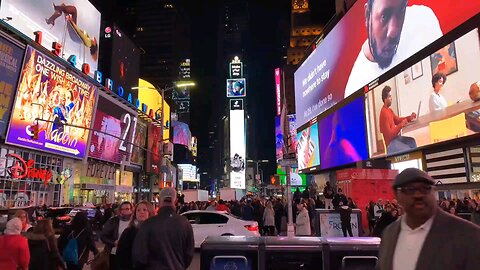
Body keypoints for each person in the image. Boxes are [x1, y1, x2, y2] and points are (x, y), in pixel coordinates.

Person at [376, 168, 480, 270]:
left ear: (434, 191)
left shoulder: (468, 235)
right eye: (410, 189)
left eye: (425, 188)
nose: (418, 195)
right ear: (397, 195)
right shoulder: (389, 234)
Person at [345, 0, 442, 97]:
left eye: (401, 11)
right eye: (384, 17)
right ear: (368, 14)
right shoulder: (354, 87)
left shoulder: (425, 20)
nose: (394, 32)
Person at [132, 188, 194, 270]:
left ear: (159, 200)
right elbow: (189, 254)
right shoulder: (184, 223)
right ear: (175, 201)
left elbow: (139, 255)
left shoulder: (149, 224)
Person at [116, 201, 155, 270]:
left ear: (150, 212)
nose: (141, 212)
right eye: (138, 210)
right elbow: (121, 256)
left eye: (144, 210)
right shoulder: (128, 232)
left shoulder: (155, 232)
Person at [379, 86, 417, 154]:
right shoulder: (383, 113)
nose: (391, 98)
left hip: (396, 139)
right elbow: (389, 136)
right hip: (391, 144)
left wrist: (409, 118)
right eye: (390, 96)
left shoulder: (389, 110)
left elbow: (398, 120)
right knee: (408, 149)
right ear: (385, 99)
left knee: (412, 141)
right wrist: (401, 125)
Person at [101, 201, 133, 270]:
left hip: (130, 255)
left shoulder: (134, 222)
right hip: (114, 253)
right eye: (122, 209)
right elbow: (103, 236)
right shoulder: (113, 221)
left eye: (127, 209)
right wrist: (113, 242)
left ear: (131, 209)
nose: (124, 211)